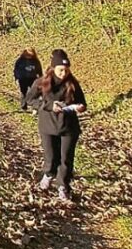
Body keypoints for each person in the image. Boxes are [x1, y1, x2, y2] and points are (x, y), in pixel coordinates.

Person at [25, 49, 87, 202]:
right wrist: (48, 105)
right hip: (48, 126)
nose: (63, 73)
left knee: (66, 159)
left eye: (66, 70)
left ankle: (63, 186)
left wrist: (79, 107)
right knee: (51, 158)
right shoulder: (41, 82)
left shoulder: (73, 84)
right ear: (53, 68)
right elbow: (30, 100)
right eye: (60, 70)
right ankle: (48, 174)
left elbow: (83, 103)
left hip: (69, 127)